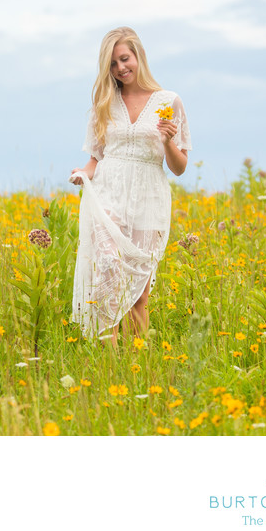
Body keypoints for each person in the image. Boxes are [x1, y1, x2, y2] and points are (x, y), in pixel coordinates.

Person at [69, 26, 191, 345]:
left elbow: (179, 167)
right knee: (108, 268)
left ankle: (135, 366)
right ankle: (108, 361)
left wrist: (167, 142)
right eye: (112, 64)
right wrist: (83, 173)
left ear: (138, 56)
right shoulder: (105, 102)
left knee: (139, 293)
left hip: (149, 198)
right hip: (109, 193)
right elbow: (96, 157)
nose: (121, 68)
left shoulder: (169, 101)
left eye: (125, 59)